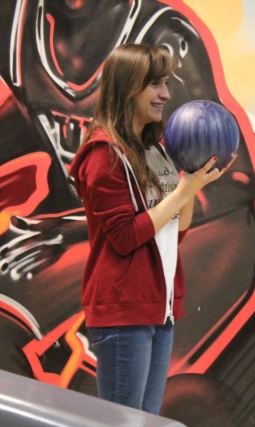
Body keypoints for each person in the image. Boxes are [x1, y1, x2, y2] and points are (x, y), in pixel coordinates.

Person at [69, 43, 234, 414]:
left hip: (158, 309)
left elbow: (177, 229)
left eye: (166, 83)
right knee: (122, 421)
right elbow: (125, 237)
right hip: (123, 309)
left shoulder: (156, 151)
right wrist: (183, 191)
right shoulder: (103, 155)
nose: (165, 95)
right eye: (155, 84)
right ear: (128, 87)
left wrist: (193, 178)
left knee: (144, 421)